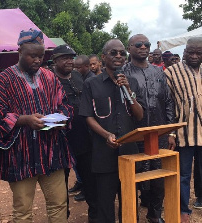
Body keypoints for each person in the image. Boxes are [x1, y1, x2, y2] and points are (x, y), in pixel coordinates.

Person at [0, 29, 74, 223]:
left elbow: (65, 104)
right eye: (32, 56)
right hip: (21, 155)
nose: (37, 60)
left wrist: (61, 119)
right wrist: (24, 120)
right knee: (23, 210)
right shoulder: (3, 80)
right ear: (20, 53)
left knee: (58, 204)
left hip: (51, 151)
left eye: (41, 56)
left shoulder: (50, 77)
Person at [79, 39, 144, 222]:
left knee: (130, 200)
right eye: (113, 53)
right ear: (103, 57)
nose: (118, 56)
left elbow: (139, 116)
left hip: (129, 154)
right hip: (103, 153)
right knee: (105, 204)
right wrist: (106, 135)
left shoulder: (131, 82)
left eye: (122, 53)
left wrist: (128, 89)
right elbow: (88, 116)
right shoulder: (92, 84)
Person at [124, 34, 176, 223]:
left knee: (159, 179)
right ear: (130, 48)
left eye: (146, 44)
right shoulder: (123, 73)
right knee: (136, 177)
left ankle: (155, 215)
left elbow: (168, 101)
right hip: (134, 135)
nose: (143, 47)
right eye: (139, 44)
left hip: (159, 133)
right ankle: (132, 215)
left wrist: (170, 132)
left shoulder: (159, 72)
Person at [52, 45, 97, 221]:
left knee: (90, 181)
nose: (69, 61)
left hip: (84, 139)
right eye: (64, 58)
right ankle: (64, 217)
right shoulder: (49, 79)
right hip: (60, 141)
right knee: (60, 185)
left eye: (71, 57)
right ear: (55, 60)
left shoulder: (78, 77)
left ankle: (95, 216)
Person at [164, 37, 202, 223]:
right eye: (191, 52)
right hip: (183, 134)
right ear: (184, 51)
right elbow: (168, 104)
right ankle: (182, 209)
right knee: (183, 174)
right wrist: (171, 132)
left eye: (199, 53)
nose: (194, 56)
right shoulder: (171, 72)